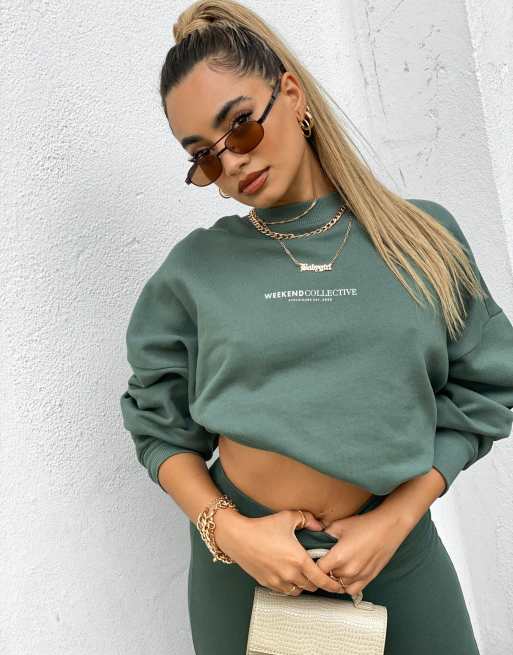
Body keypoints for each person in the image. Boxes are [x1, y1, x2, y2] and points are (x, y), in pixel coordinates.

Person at [119, 1, 513, 653]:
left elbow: (483, 390)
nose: (231, 164)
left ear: (292, 94)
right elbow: (158, 427)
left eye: (241, 127)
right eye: (204, 158)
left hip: (395, 560)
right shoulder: (195, 271)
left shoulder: (420, 238)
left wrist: (397, 516)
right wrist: (228, 531)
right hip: (248, 575)